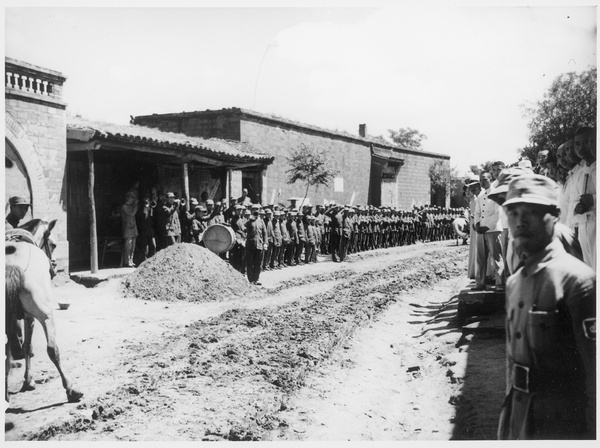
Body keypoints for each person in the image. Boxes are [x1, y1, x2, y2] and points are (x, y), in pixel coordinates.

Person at [497, 174, 596, 440]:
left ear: (554, 215)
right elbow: (513, 362)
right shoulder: (515, 282)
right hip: (518, 415)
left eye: (531, 211)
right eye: (513, 212)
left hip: (560, 422)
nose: (520, 221)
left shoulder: (578, 281)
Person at [473, 172, 504, 291]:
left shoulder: (497, 194)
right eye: (480, 180)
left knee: (496, 257)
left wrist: (487, 227)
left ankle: (500, 283)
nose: (482, 182)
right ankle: (480, 283)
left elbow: (498, 213)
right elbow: (477, 212)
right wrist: (477, 225)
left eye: (485, 180)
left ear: (490, 179)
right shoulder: (480, 196)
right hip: (481, 231)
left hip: (493, 230)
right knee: (481, 258)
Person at [245, 204, 268, 285]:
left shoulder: (261, 221)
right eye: (254, 209)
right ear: (251, 210)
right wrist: (250, 220)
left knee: (258, 263)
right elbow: (244, 228)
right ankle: (251, 280)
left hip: (259, 245)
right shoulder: (248, 220)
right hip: (250, 245)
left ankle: (256, 279)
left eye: (257, 209)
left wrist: (265, 243)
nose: (256, 210)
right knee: (250, 263)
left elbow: (265, 232)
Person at [121, 191, 139, 267]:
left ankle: (131, 260)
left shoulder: (132, 206)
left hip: (133, 227)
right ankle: (127, 261)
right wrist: (135, 205)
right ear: (127, 198)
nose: (133, 199)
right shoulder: (124, 207)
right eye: (131, 197)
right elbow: (132, 213)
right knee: (128, 245)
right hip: (127, 228)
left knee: (133, 246)